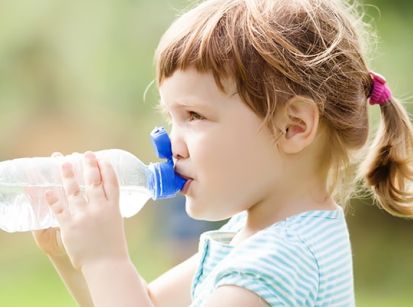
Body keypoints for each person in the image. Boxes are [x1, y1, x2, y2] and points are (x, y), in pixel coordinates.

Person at [32, 0, 413, 306]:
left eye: (194, 115)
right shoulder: (251, 237)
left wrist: (105, 260)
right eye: (172, 118)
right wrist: (72, 258)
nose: (171, 144)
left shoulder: (278, 262)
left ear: (293, 127)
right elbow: (145, 301)